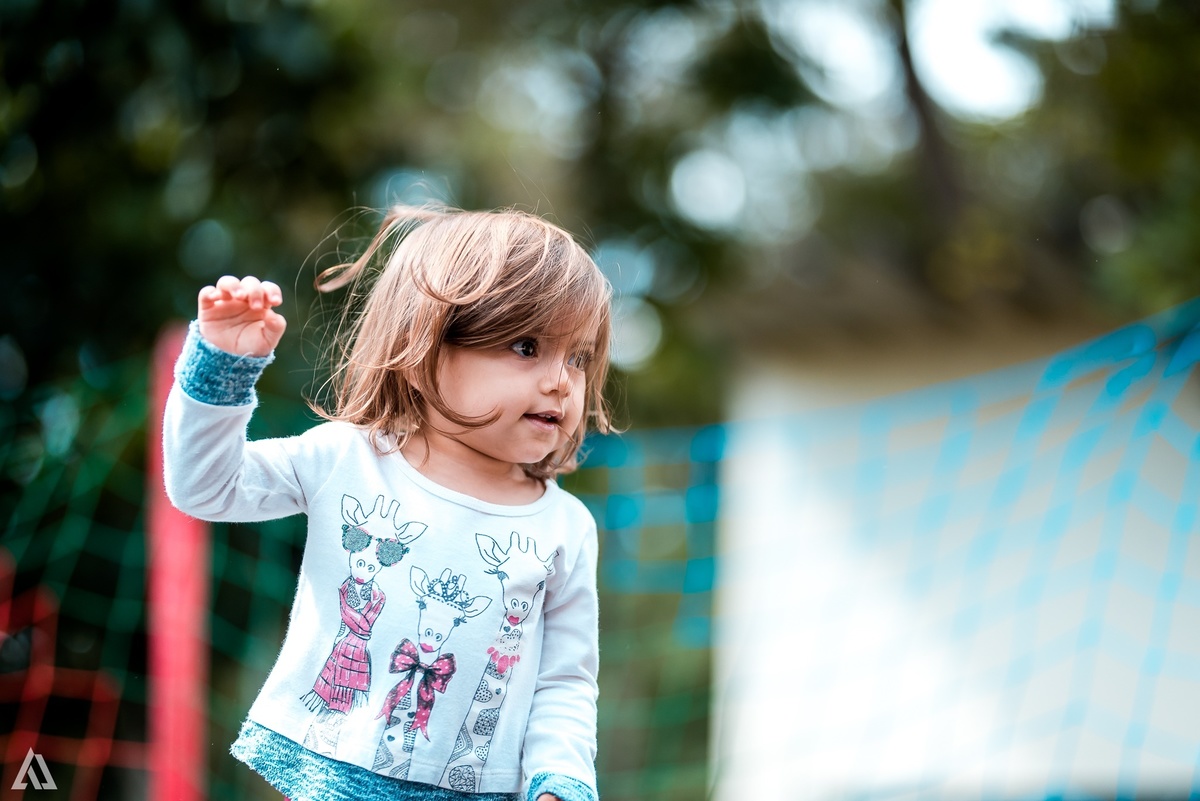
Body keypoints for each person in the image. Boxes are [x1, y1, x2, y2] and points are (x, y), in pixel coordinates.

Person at [162, 204, 613, 801]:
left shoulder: (565, 527)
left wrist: (562, 780)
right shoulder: (347, 459)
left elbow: (565, 681)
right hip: (334, 772)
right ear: (425, 348)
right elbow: (205, 486)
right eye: (528, 346)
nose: (561, 380)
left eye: (577, 357)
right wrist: (223, 368)